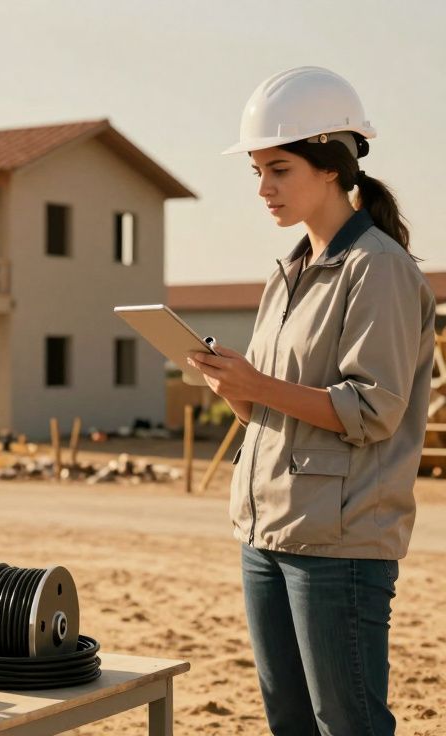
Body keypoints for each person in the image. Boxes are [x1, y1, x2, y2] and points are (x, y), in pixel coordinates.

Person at [191, 66, 434, 735]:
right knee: (290, 722)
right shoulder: (288, 272)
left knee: (348, 723)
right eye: (256, 172)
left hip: (340, 543)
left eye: (279, 169)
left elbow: (372, 409)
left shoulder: (378, 267)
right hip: (265, 531)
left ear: (329, 164)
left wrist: (258, 386)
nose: (264, 189)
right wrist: (235, 390)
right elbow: (274, 413)